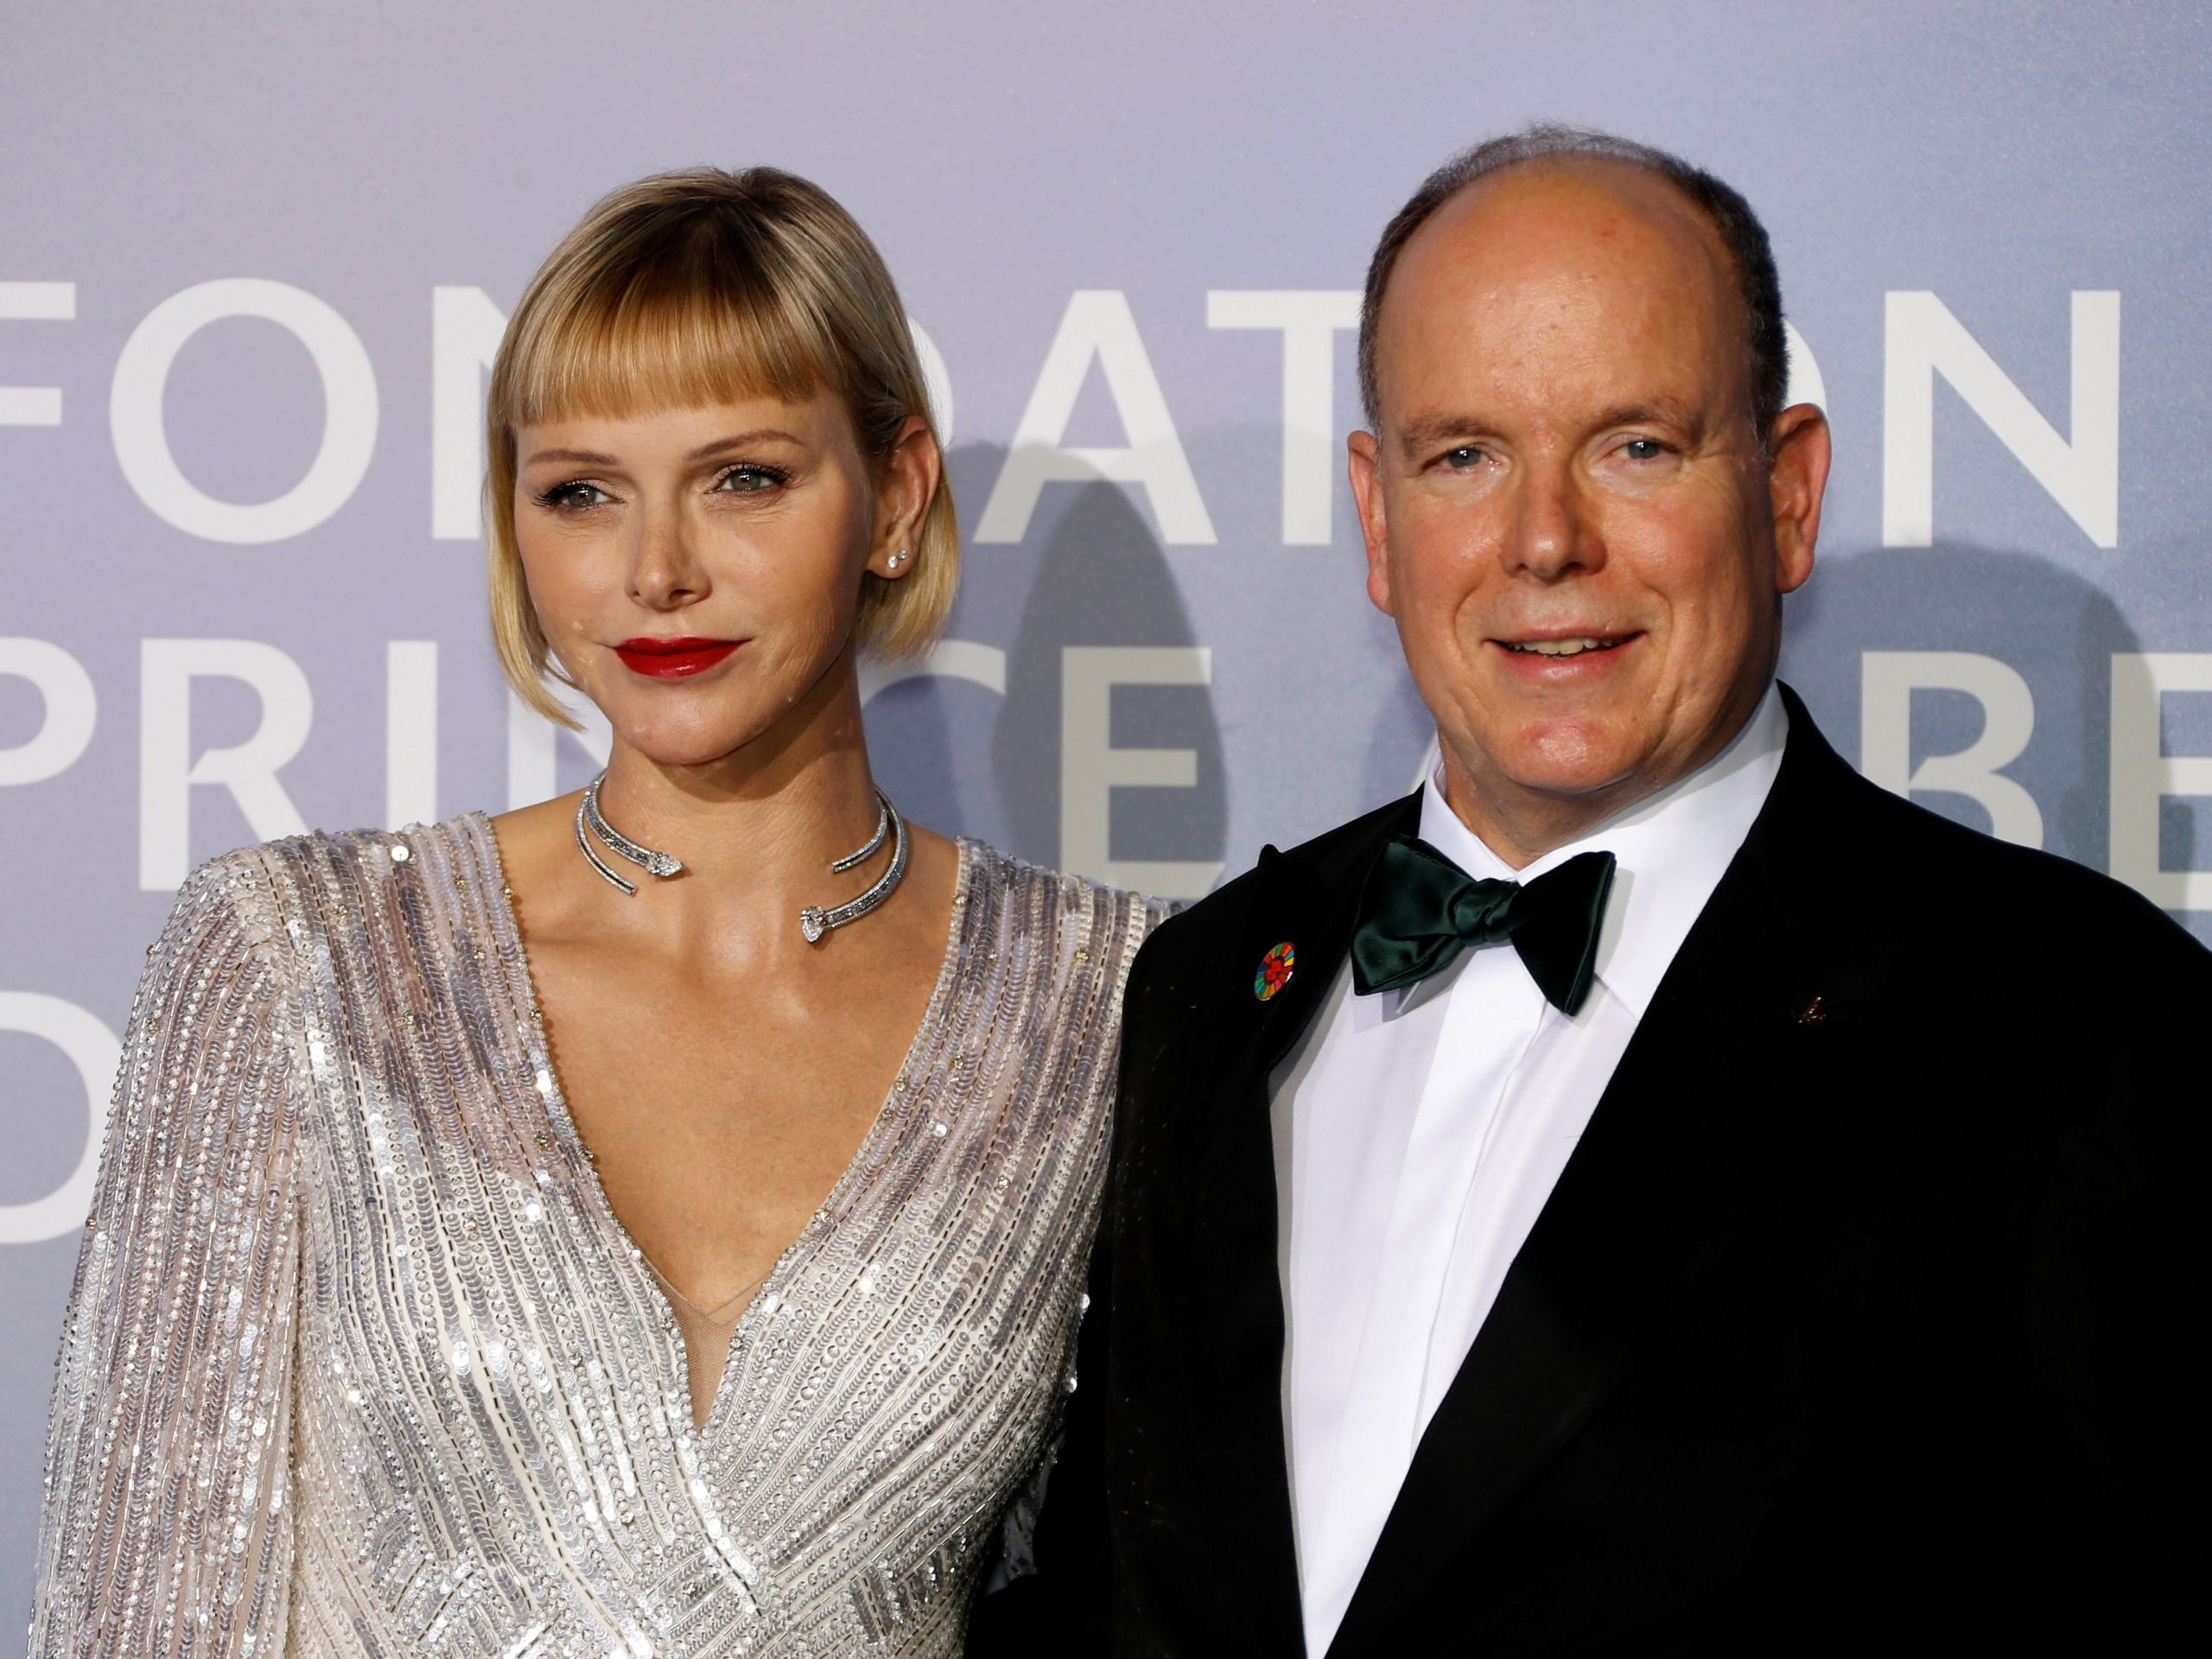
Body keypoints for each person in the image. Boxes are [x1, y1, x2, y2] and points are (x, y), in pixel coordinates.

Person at [976, 126, 2212, 1656]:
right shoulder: (1211, 986)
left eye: (1636, 445)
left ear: (1788, 492)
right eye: (1465, 456)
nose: (1546, 540)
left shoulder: (2066, 1023)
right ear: (1378, 517)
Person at [32, 167, 1164, 1658]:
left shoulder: (1107, 1002)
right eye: (582, 492)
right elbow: (141, 1608)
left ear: (894, 494)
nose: (657, 572)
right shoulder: (299, 965)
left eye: (744, 478)